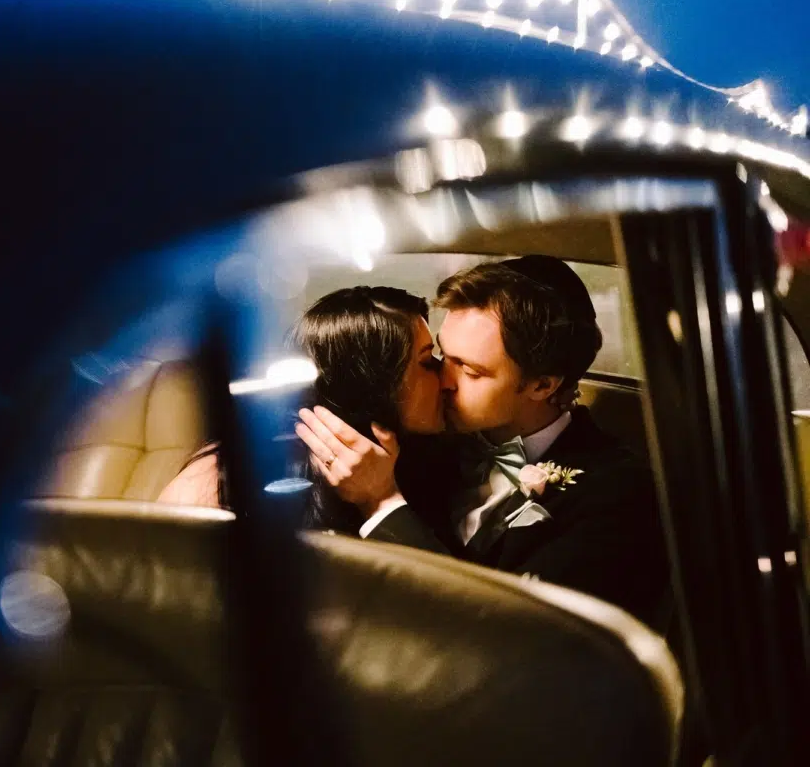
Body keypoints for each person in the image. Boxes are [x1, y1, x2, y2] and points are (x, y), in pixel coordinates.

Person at [296, 256, 668, 628]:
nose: (443, 380)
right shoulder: (415, 447)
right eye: (441, 356)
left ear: (542, 385)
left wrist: (383, 503)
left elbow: (506, 636)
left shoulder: (617, 496)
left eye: (470, 370)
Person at [157, 285, 446, 536]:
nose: (445, 376)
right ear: (373, 387)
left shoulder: (425, 460)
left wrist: (383, 497)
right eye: (426, 361)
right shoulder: (226, 477)